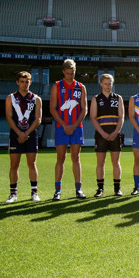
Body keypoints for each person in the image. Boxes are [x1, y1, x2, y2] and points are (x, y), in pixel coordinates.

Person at [50, 59, 88, 200]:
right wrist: (65, 125)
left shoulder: (81, 87)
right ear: (63, 72)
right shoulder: (57, 86)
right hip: (61, 127)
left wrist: (74, 125)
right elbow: (52, 109)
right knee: (61, 157)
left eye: (72, 73)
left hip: (77, 127)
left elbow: (84, 109)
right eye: (67, 73)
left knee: (76, 157)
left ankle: (78, 189)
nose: (70, 76)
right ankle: (57, 190)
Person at [5, 71, 42, 203]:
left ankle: (34, 192)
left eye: (27, 82)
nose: (25, 84)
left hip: (31, 135)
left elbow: (38, 119)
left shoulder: (36, 98)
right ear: (17, 82)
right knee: (14, 164)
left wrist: (26, 133)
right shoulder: (11, 98)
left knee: (32, 164)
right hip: (15, 134)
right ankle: (13, 194)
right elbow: (9, 117)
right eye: (22, 81)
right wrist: (19, 132)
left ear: (30, 82)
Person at [89, 73, 125, 197]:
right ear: (101, 84)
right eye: (106, 83)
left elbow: (121, 117)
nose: (108, 86)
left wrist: (115, 132)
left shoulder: (118, 98)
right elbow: (93, 118)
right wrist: (103, 133)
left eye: (110, 83)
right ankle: (100, 189)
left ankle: (117, 188)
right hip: (101, 135)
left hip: (115, 134)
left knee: (116, 162)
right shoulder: (96, 99)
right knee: (100, 163)